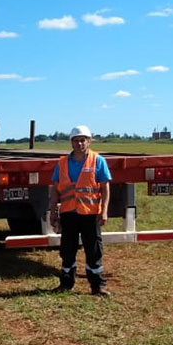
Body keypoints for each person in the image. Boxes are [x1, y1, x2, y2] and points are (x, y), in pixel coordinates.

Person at [48, 125, 112, 296]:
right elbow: (55, 190)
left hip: (90, 214)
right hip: (69, 213)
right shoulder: (61, 163)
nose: (80, 143)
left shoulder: (98, 161)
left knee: (93, 250)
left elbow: (105, 188)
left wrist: (104, 211)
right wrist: (52, 212)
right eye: (76, 140)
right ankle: (66, 284)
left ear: (89, 141)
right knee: (67, 249)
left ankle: (97, 286)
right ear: (71, 142)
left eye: (83, 140)